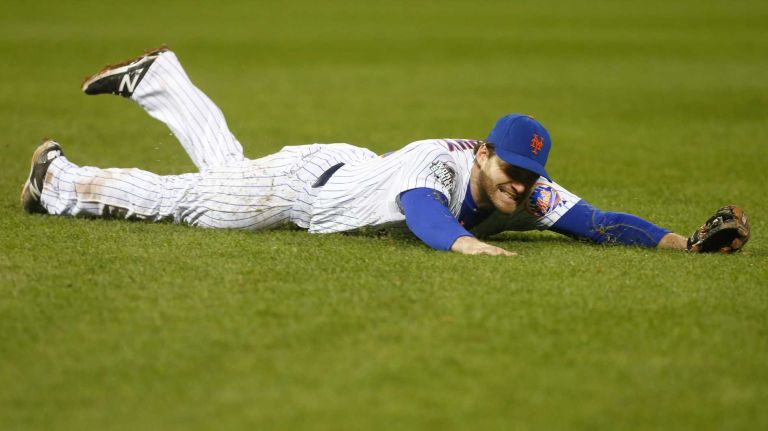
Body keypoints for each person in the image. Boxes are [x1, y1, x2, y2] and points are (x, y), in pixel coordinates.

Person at [20, 47, 747, 256]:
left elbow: (597, 221)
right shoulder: (441, 163)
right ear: (486, 152)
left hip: (335, 164)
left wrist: (680, 243)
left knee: (221, 169)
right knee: (191, 202)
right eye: (511, 172)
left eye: (530, 180)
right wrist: (468, 249)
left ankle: (163, 79)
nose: (521, 190)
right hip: (303, 187)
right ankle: (55, 181)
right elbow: (427, 213)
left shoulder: (522, 186)